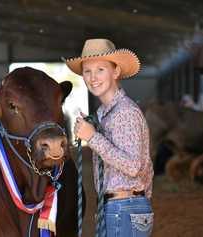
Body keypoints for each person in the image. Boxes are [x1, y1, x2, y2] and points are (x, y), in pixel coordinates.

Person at [64, 38, 154, 237]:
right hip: (119, 206)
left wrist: (92, 137)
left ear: (115, 72)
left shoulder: (125, 112)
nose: (93, 77)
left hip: (124, 207)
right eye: (87, 71)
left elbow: (133, 166)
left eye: (100, 70)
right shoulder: (105, 114)